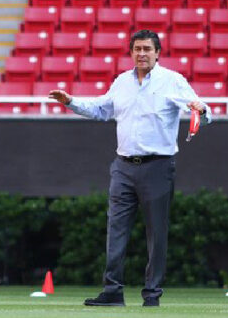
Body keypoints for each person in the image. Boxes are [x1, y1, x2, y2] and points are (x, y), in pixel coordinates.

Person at [49, 30, 211, 308]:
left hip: (158, 166)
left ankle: (152, 295)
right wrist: (70, 102)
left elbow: (202, 113)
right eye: (137, 49)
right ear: (132, 52)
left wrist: (202, 109)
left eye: (147, 49)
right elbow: (101, 109)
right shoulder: (122, 82)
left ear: (157, 53)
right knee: (116, 229)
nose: (142, 53)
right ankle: (112, 292)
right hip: (123, 166)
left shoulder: (172, 81)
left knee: (156, 233)